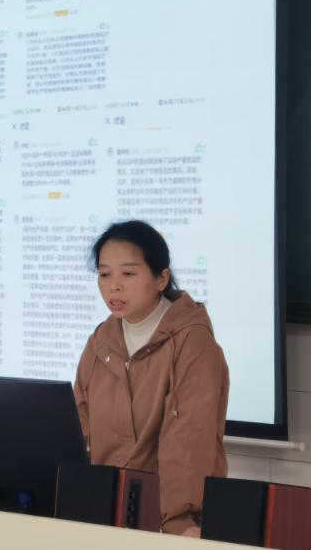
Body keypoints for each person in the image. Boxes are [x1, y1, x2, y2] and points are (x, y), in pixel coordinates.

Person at [73, 220, 229, 536]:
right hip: (109, 513)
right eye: (104, 274)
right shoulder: (100, 342)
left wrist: (178, 522)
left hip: (170, 522)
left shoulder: (192, 342)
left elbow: (190, 441)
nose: (114, 286)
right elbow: (77, 426)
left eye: (128, 274)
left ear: (161, 279)